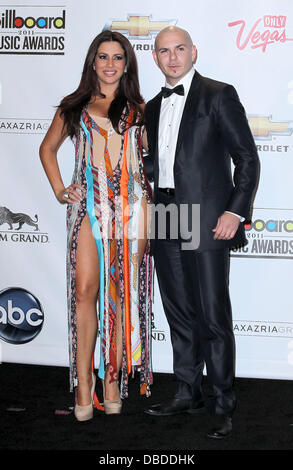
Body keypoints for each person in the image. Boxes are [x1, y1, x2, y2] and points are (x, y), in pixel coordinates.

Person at [144, 26, 259, 439]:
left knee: (213, 315)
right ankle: (188, 391)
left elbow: (247, 158)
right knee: (179, 312)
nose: (172, 57)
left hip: (207, 214)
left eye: (179, 49)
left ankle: (224, 401)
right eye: (163, 51)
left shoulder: (218, 94)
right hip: (166, 214)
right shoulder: (153, 106)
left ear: (194, 52)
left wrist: (235, 211)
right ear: (155, 57)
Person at [39, 30, 153, 421]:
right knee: (86, 290)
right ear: (92, 62)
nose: (109, 64)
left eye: (117, 57)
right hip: (87, 207)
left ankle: (113, 380)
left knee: (120, 294)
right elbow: (47, 148)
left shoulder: (139, 108)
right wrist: (59, 189)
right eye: (102, 57)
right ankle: (84, 382)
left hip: (131, 208)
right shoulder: (75, 106)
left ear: (126, 64)